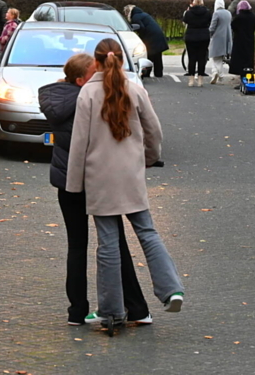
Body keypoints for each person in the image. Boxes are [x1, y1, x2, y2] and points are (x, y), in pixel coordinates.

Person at [66, 39, 185, 327]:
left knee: (107, 243)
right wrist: (149, 158)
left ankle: (111, 310)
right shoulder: (135, 89)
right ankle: (171, 290)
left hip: (99, 178)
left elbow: (79, 143)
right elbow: (154, 130)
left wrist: (74, 185)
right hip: (131, 173)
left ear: (95, 62)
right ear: (121, 59)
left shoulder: (88, 94)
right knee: (147, 231)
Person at [39, 53, 151, 327]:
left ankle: (77, 312)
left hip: (68, 181)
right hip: (100, 181)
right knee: (116, 244)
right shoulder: (90, 99)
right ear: (80, 80)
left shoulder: (55, 99)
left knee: (76, 246)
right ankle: (136, 308)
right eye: (94, 73)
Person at [124, 5, 169, 79]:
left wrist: (139, 37)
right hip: (158, 35)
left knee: (149, 55)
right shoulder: (143, 14)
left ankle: (146, 74)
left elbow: (141, 27)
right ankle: (158, 74)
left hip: (151, 38)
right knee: (157, 56)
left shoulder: (135, 17)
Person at [182, 0, 212, 87]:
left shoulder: (188, 13)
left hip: (191, 36)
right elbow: (209, 22)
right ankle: (200, 79)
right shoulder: (207, 12)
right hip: (204, 36)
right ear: (202, 3)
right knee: (202, 58)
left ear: (193, 2)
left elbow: (185, 22)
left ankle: (191, 79)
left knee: (192, 58)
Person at [228, 0, 255, 88]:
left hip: (239, 41)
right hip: (250, 40)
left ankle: (242, 81)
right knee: (248, 60)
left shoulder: (239, 17)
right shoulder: (253, 17)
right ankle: (248, 80)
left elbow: (233, 26)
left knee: (240, 61)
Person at [208, 0, 232, 85]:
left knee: (214, 56)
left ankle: (220, 74)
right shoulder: (228, 13)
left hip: (217, 37)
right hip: (227, 38)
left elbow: (212, 27)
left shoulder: (216, 13)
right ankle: (215, 72)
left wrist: (209, 34)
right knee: (219, 57)